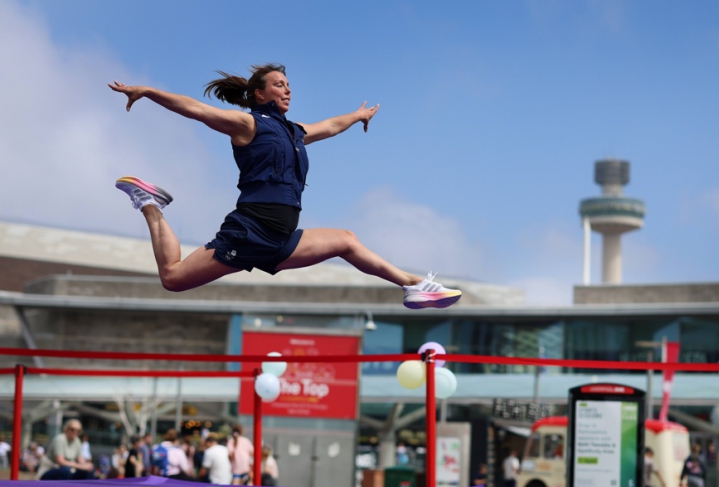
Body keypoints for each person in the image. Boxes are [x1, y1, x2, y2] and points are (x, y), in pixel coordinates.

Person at [109, 64, 462, 310]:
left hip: (281, 238)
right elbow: (196, 110)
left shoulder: (295, 132)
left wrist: (357, 116)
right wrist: (149, 91)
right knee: (172, 278)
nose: (288, 88)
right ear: (259, 93)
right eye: (279, 84)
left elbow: (330, 126)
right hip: (251, 230)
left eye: (289, 85)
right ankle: (149, 202)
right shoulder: (247, 124)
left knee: (347, 241)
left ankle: (414, 286)